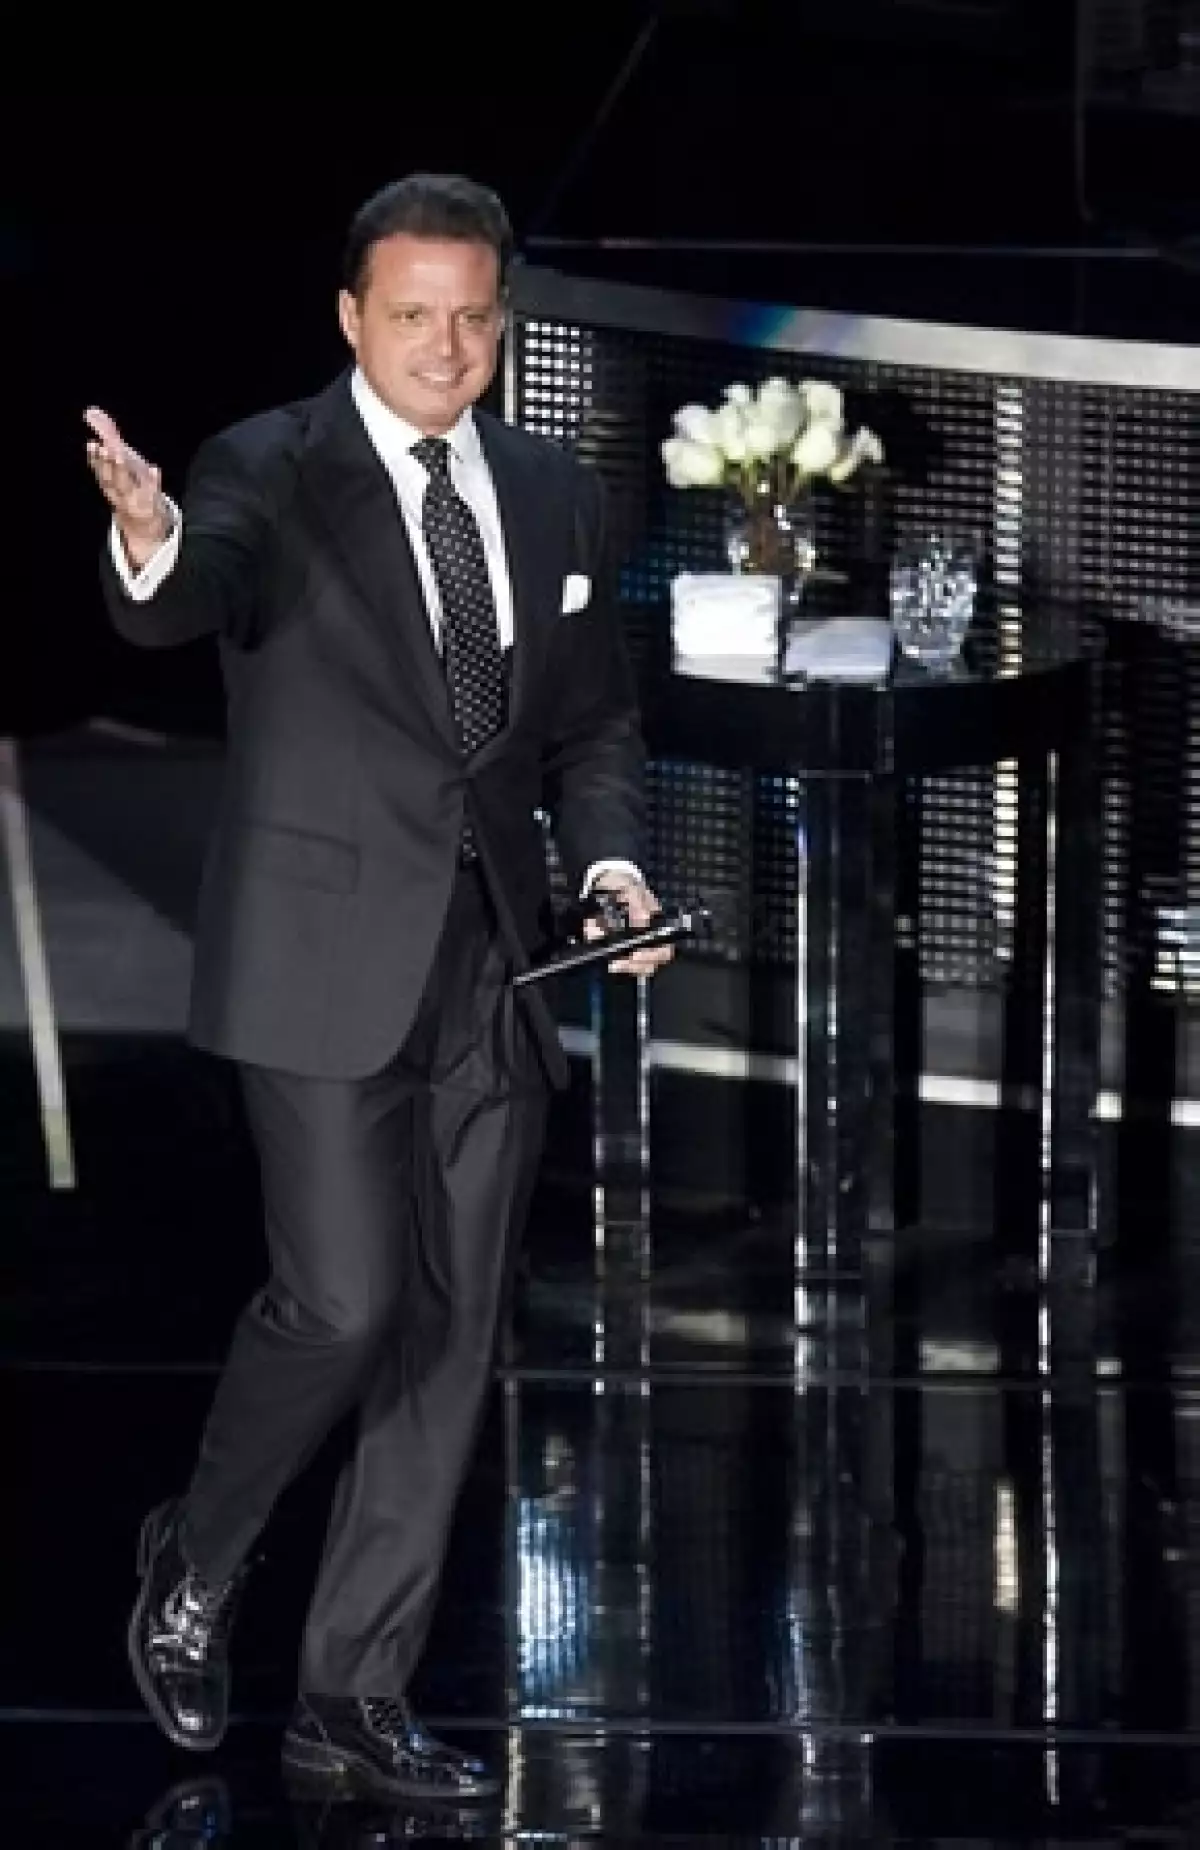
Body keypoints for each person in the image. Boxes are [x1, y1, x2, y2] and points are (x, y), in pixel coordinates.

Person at [85, 171, 670, 1807]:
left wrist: (612, 869)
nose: (446, 345)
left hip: (498, 972)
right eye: (412, 314)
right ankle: (194, 1557)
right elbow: (200, 581)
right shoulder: (268, 467)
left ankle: (352, 1695)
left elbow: (595, 722)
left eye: (475, 316)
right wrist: (151, 542)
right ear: (352, 317)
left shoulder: (553, 489)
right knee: (337, 1305)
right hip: (322, 962)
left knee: (441, 1340)